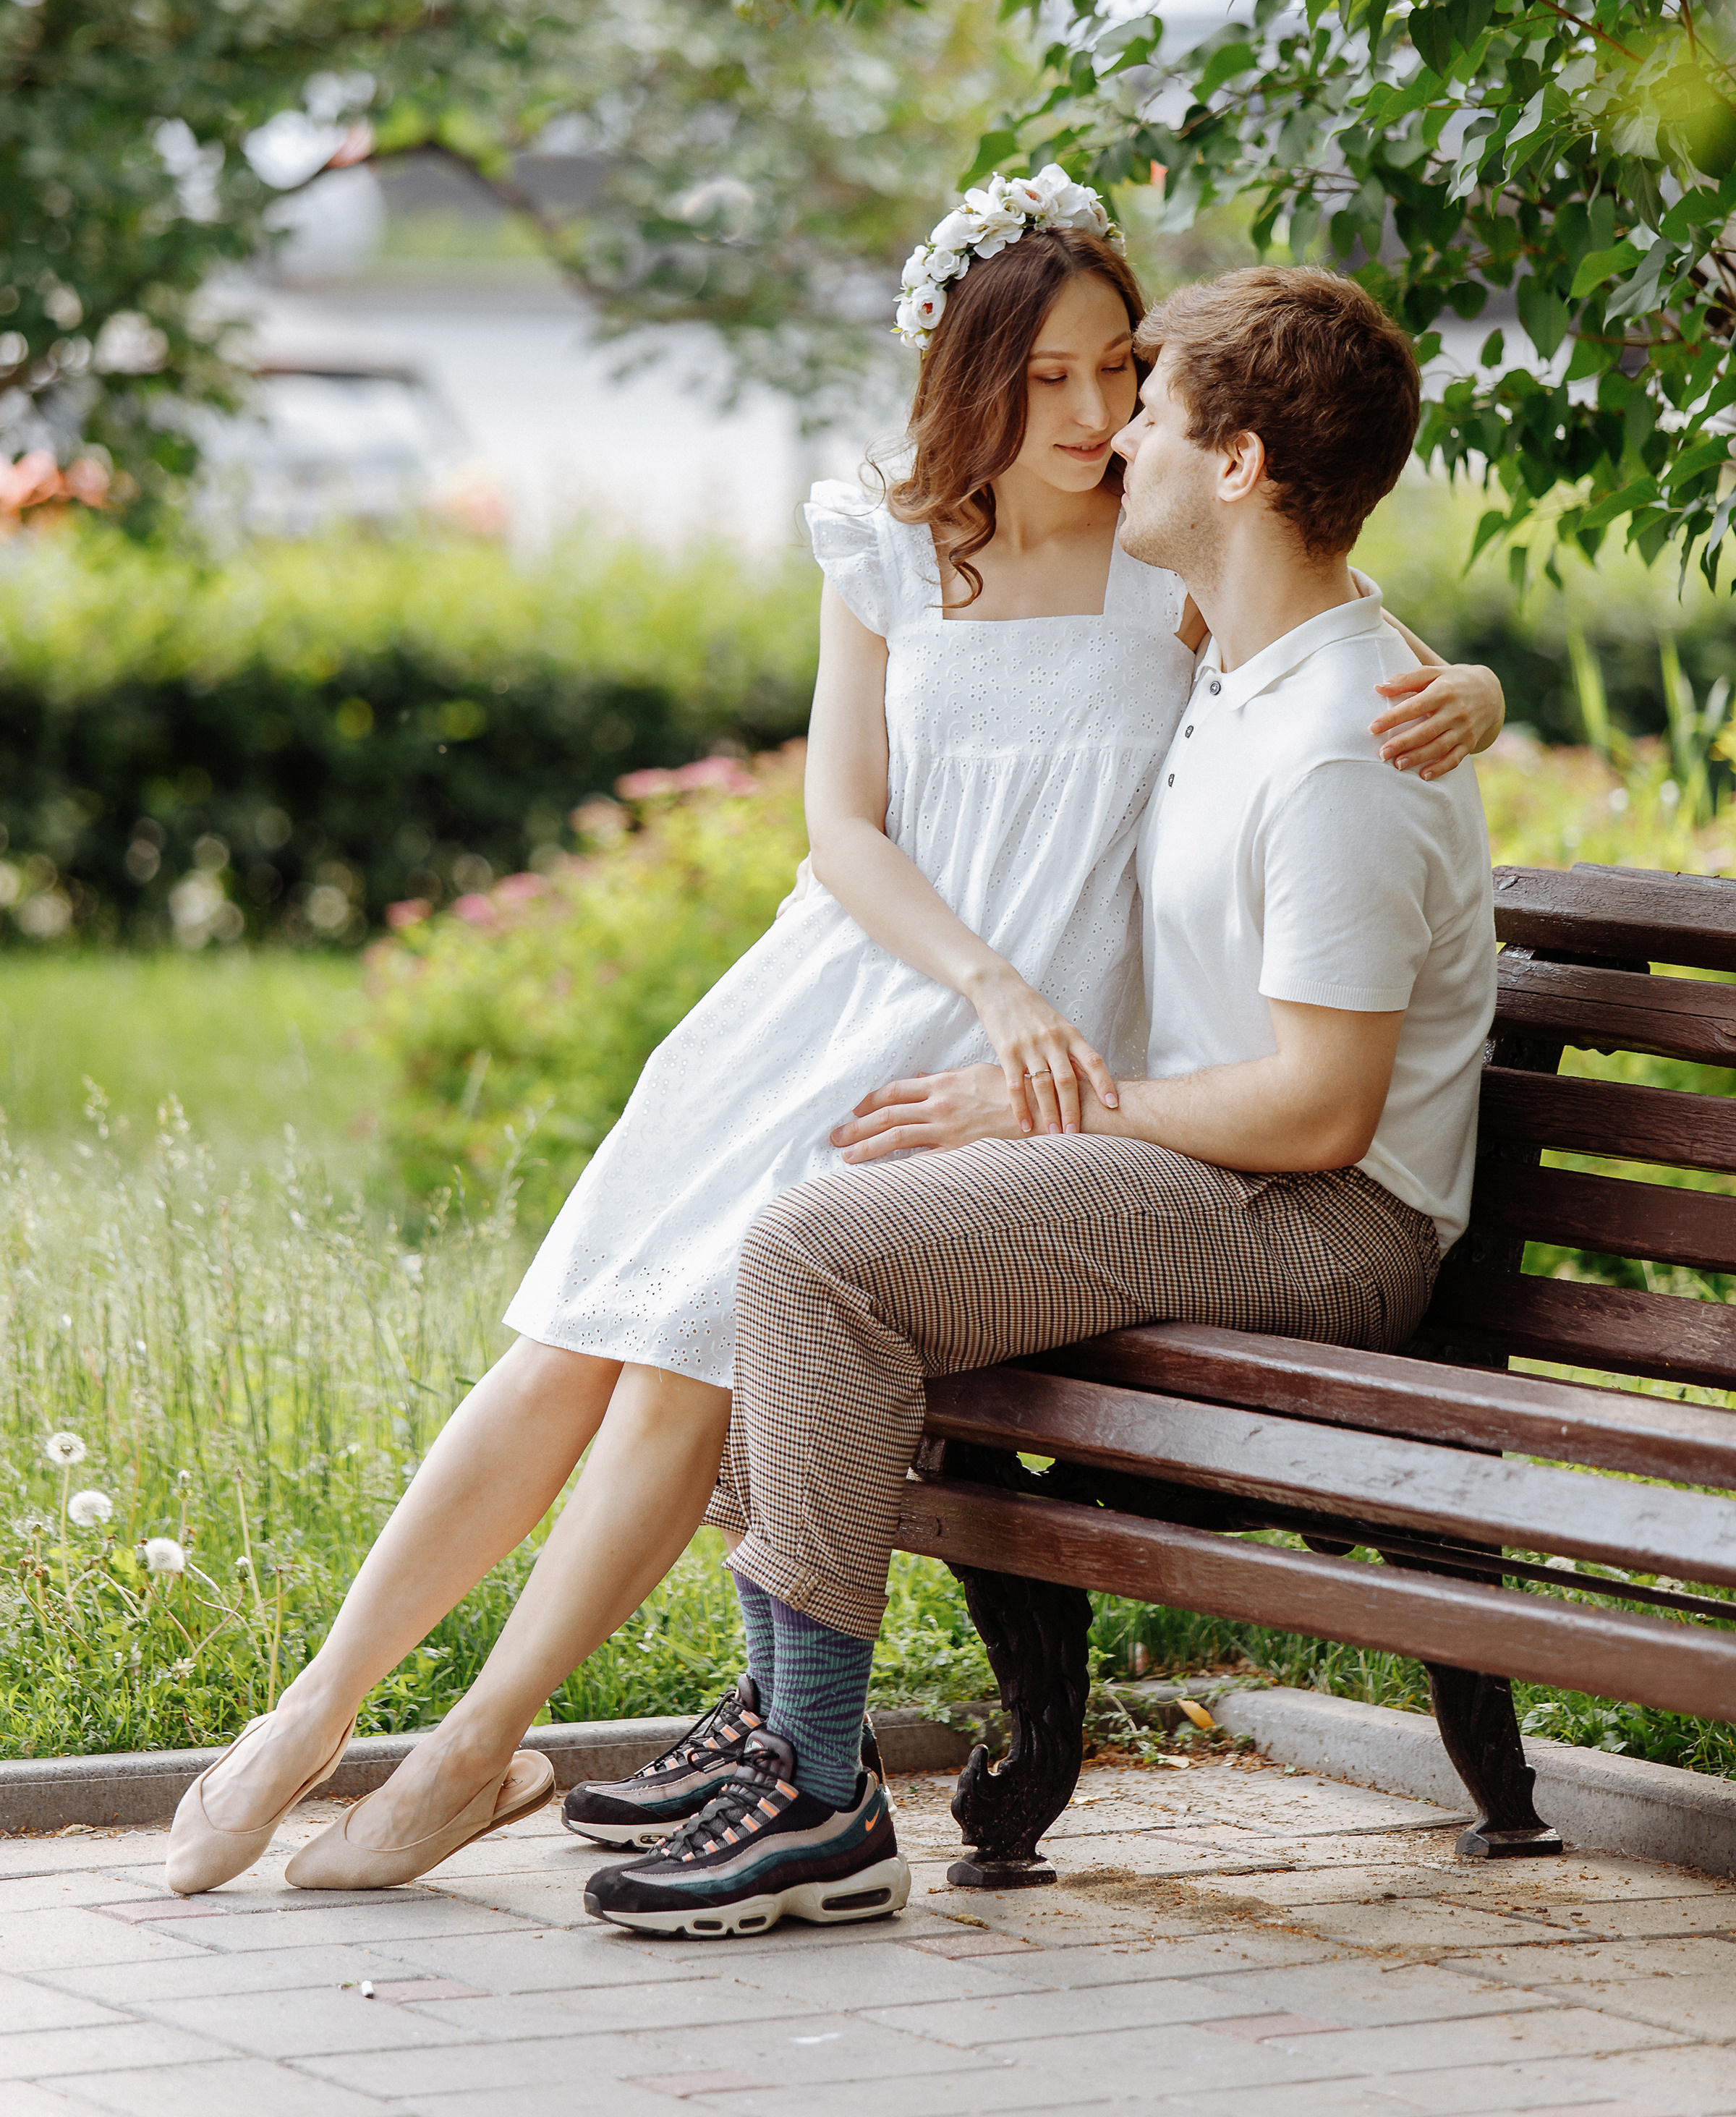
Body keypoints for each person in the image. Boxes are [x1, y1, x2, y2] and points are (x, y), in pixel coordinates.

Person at [166, 191, 1499, 1899]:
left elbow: (1334, 626)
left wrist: (1479, 693)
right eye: (1060, 380)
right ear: (975, 376)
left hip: (1058, 1077)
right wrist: (992, 992)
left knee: (710, 1346)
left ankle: (487, 1747)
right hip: (864, 1000)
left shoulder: (1169, 570)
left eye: (1128, 377)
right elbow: (846, 823)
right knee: (577, 1335)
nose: (1101, 417)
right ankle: (307, 1718)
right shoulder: (893, 535)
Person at [580, 262, 1500, 1941]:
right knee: (797, 1224)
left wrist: (1046, 1118)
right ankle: (799, 1749)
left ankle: (815, 1791)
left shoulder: (1346, 751)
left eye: (1149, 407)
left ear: (1233, 467)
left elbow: (1318, 1119)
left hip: (1323, 1224)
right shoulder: (1253, 657)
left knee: (818, 1258)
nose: (1113, 436)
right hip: (1230, 1181)